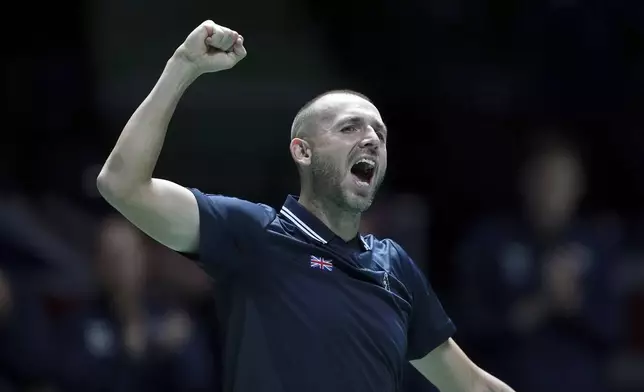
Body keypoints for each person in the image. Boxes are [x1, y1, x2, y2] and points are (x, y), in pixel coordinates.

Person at [96, 19, 515, 392]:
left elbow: (473, 385)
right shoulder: (253, 235)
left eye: (380, 133)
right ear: (303, 151)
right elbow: (122, 185)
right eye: (350, 127)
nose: (371, 138)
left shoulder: (395, 269)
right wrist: (183, 65)